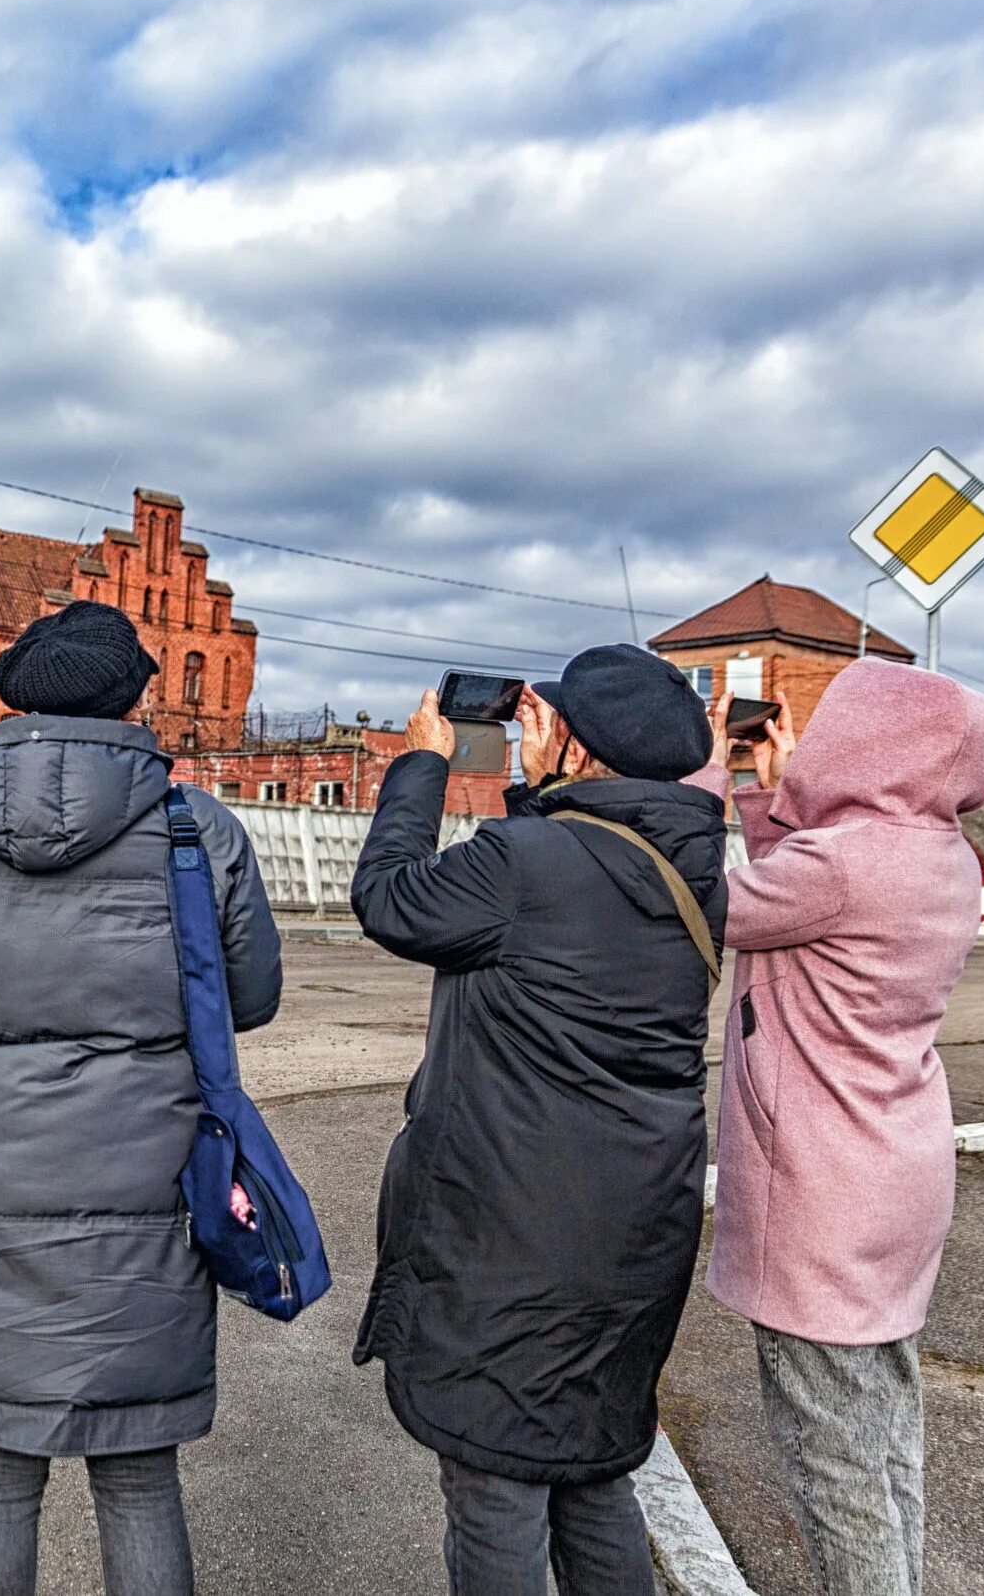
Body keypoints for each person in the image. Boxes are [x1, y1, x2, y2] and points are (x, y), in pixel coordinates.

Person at [0, 600, 282, 1596]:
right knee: (140, 1479)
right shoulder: (199, 833)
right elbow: (251, 997)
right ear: (133, 698)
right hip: (146, 1191)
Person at [350, 644, 731, 1596]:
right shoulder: (694, 867)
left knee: (496, 1488)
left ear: (576, 741)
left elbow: (390, 899)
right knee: (592, 1475)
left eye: (544, 719)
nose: (529, 730)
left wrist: (423, 765)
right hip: (636, 1230)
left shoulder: (526, 863)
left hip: (513, 1236)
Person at [694, 660, 984, 1596]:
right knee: (883, 1432)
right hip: (896, 1170)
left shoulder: (841, 863)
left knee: (829, 1457)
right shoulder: (940, 854)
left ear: (869, 741)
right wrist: (775, 786)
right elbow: (800, 882)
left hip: (821, 1186)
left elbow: (708, 904)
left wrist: (712, 777)